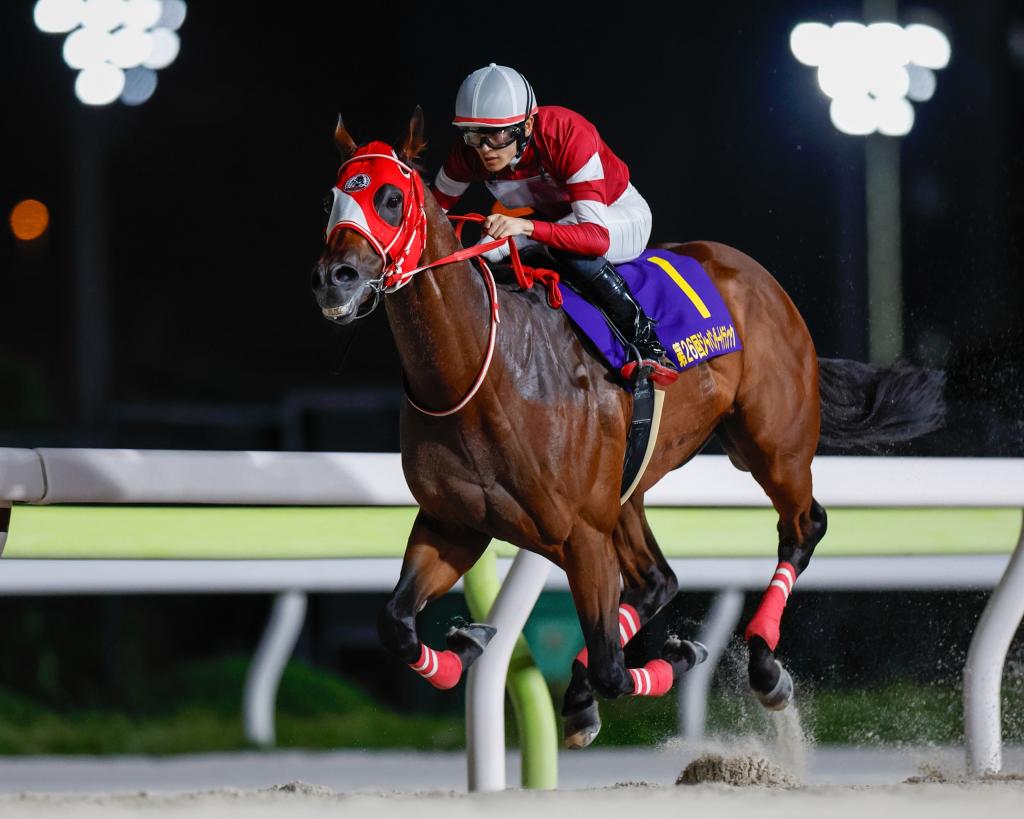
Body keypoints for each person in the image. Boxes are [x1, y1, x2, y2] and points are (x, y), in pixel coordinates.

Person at [431, 63, 677, 384]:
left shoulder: (567, 133)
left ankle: (646, 341)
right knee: (481, 254)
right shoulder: (467, 154)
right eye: (474, 135)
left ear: (529, 125)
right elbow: (430, 214)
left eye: (499, 135)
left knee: (564, 249)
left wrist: (526, 227)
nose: (485, 149)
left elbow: (594, 237)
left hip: (616, 215)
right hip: (556, 222)